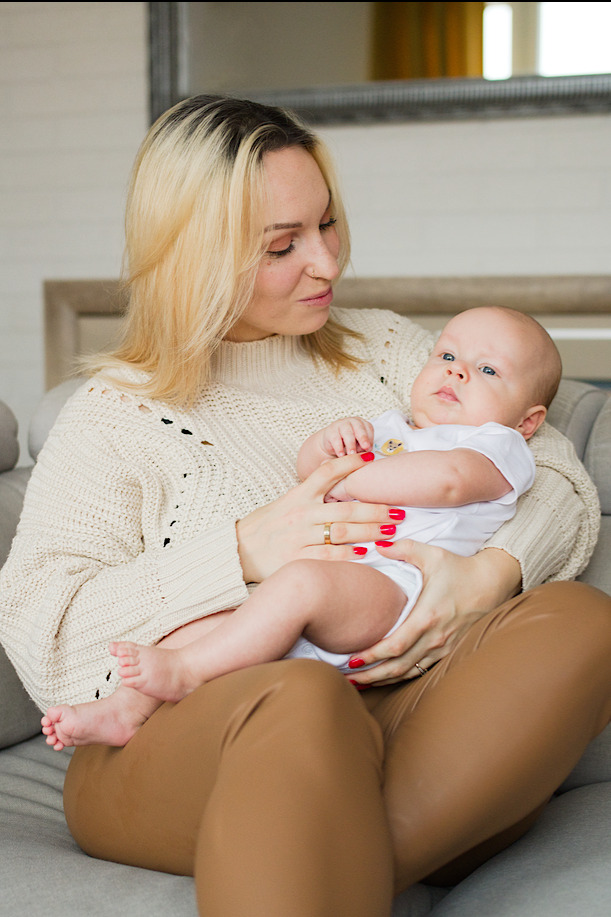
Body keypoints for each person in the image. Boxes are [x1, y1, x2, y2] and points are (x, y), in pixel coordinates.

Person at [0, 95, 609, 917]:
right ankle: (405, 837)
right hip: (189, 741)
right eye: (283, 245)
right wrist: (244, 551)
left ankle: (322, 859)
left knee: (579, 618)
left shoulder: (383, 347)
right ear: (194, 256)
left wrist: (488, 575)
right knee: (301, 702)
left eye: (326, 225)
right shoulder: (112, 420)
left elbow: (556, 474)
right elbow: (47, 635)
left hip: (394, 710)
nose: (326, 263)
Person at [41, 305, 560, 746]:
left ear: (528, 421)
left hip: (401, 594)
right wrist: (329, 443)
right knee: (190, 626)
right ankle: (127, 708)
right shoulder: (392, 426)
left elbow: (447, 483)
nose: (457, 372)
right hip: (324, 606)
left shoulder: (499, 446)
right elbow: (310, 470)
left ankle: (187, 675)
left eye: (488, 371)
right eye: (447, 357)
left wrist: (353, 474)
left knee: (302, 584)